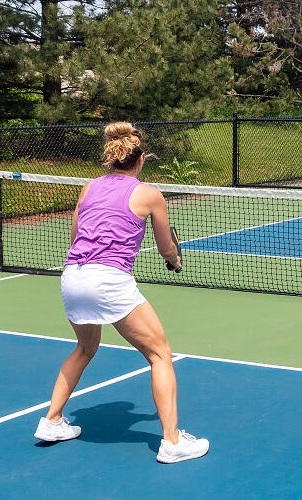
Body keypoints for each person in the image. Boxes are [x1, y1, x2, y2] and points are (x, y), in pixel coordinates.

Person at [33, 122, 209, 464]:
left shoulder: (89, 187)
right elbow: (165, 247)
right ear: (141, 159)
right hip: (108, 281)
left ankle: (51, 421)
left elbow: (76, 236)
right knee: (160, 355)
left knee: (85, 348)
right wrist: (174, 259)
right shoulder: (149, 194)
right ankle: (172, 442)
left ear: (112, 158)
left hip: (73, 275)